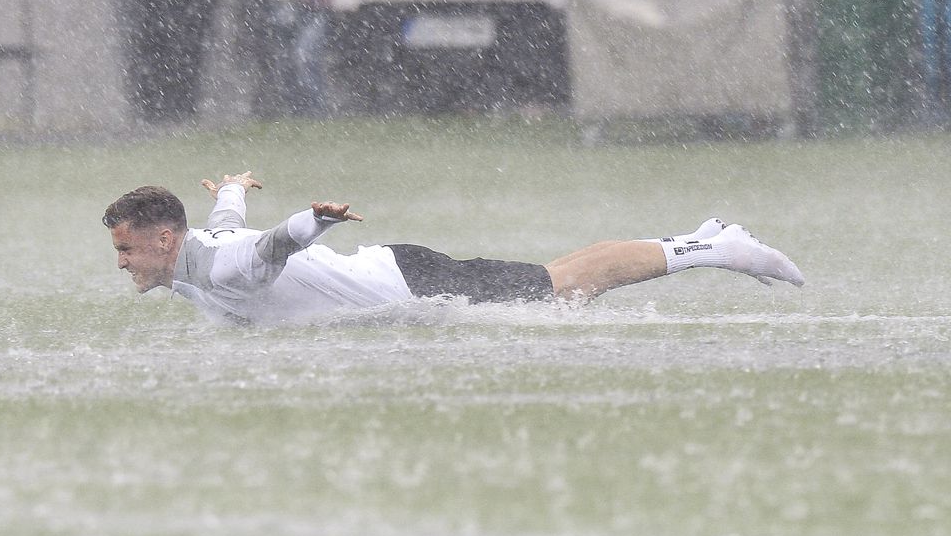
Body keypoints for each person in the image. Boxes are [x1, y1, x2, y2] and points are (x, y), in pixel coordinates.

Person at [103, 172, 805, 325]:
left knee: (563, 283)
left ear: (165, 240)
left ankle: (713, 247)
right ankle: (705, 239)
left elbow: (266, 247)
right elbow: (230, 221)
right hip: (398, 272)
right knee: (559, 280)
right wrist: (232, 185)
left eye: (128, 249)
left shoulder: (217, 265)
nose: (122, 261)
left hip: (407, 283)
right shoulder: (194, 254)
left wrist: (312, 220)